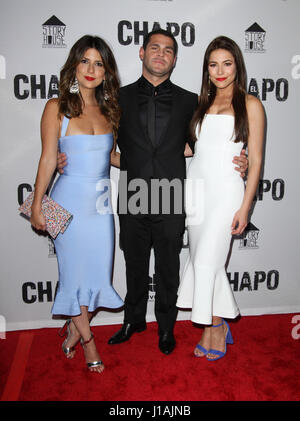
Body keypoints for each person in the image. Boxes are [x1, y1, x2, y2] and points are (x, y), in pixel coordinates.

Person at [58, 29, 247, 355]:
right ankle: (132, 320)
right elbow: (103, 145)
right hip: (132, 191)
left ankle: (166, 327)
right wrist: (70, 159)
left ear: (175, 58)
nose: (161, 54)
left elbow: (206, 145)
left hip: (172, 192)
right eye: (154, 48)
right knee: (133, 262)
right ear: (142, 52)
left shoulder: (193, 101)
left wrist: (240, 161)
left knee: (168, 267)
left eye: (169, 50)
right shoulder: (117, 99)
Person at [30, 35, 124, 373]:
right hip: (66, 204)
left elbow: (112, 157)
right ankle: (87, 341)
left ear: (106, 72)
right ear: (74, 65)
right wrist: (38, 204)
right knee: (72, 276)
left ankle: (73, 326)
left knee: (98, 277)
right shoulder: (57, 107)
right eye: (85, 61)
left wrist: (162, 158)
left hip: (100, 207)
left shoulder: (111, 110)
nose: (91, 69)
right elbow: (46, 160)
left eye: (99, 63)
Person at [176, 36, 265, 361]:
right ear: (206, 70)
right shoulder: (201, 106)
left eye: (227, 63)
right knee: (205, 262)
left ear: (237, 66)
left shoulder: (250, 104)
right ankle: (219, 327)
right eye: (213, 65)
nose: (220, 71)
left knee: (205, 263)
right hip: (196, 191)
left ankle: (211, 328)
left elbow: (254, 161)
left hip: (227, 192)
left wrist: (246, 206)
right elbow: (191, 149)